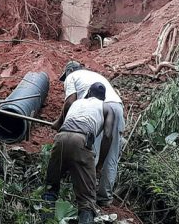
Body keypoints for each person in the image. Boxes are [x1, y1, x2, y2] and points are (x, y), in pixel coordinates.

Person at [52, 61, 125, 207]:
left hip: (100, 109)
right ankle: (104, 197)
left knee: (91, 152)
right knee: (111, 154)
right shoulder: (93, 76)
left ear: (69, 71)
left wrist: (61, 123)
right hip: (117, 106)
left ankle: (86, 195)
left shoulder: (72, 76)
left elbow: (69, 102)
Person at [42, 82, 115, 224]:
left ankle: (45, 220)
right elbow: (107, 135)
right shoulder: (106, 107)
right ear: (103, 98)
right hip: (81, 141)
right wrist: (99, 165)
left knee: (51, 187)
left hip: (61, 138)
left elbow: (58, 124)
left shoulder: (76, 103)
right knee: (86, 200)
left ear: (88, 93)